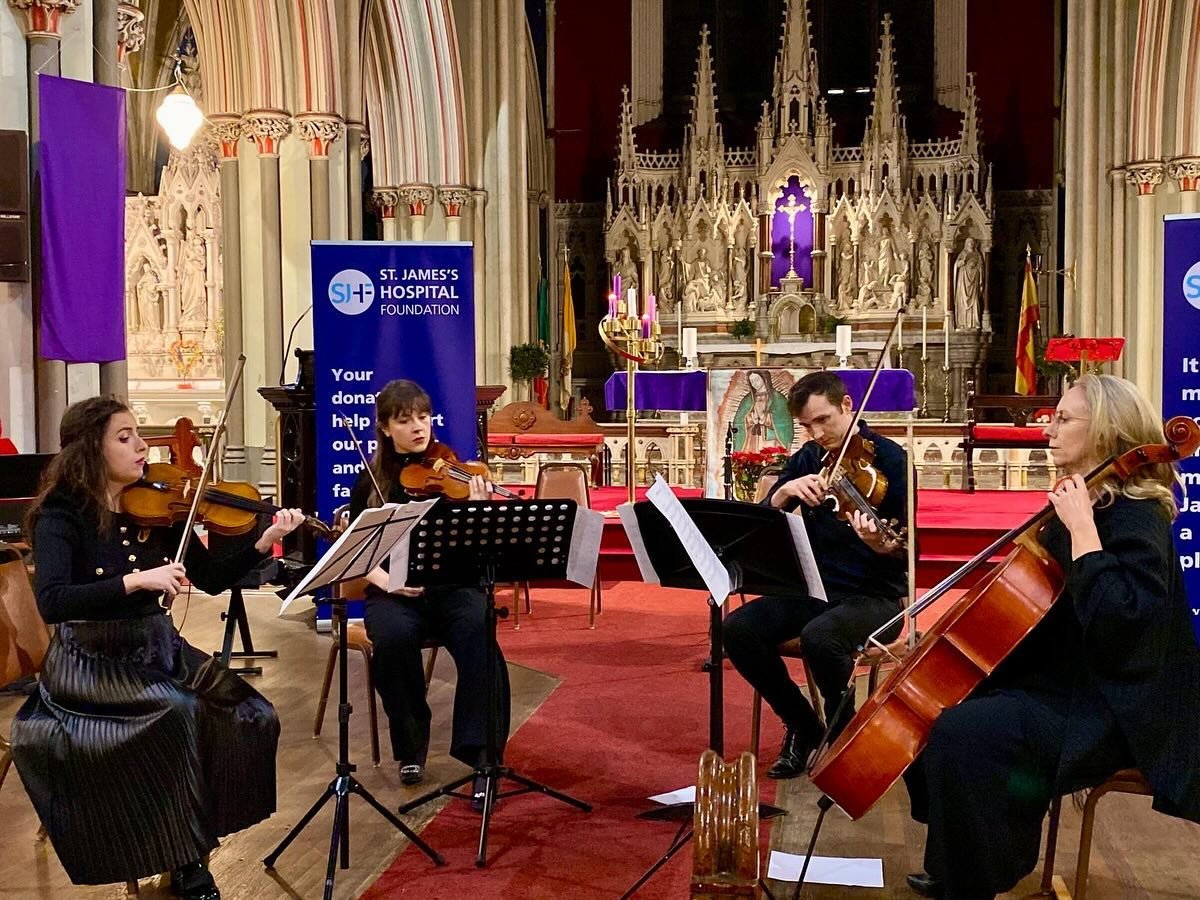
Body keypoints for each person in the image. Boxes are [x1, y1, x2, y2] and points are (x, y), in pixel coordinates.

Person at [904, 374, 1200, 900]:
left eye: (1064, 419)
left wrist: (1084, 532)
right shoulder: (1085, 502)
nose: (1049, 428)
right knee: (940, 710)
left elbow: (1122, 626)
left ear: (1106, 432)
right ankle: (969, 859)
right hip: (1065, 679)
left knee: (968, 733)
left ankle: (973, 878)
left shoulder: (1136, 516)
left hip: (1112, 703)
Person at [9, 396, 304, 899]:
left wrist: (263, 539)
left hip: (157, 647)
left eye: (137, 434)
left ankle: (196, 835)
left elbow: (210, 579)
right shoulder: (63, 514)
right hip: (91, 660)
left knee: (252, 712)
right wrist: (136, 580)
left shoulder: (158, 504)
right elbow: (54, 601)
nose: (143, 446)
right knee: (179, 712)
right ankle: (184, 860)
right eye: (124, 437)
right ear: (90, 448)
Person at [724, 371, 909, 778]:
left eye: (823, 420)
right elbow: (767, 521)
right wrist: (786, 492)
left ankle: (848, 734)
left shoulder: (892, 459)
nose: (817, 432)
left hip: (875, 597)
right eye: (807, 425)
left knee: (821, 638)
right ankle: (805, 725)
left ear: (847, 406)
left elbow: (906, 552)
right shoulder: (808, 458)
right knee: (737, 630)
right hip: (814, 590)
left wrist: (881, 544)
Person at [348, 379, 511, 809]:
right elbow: (358, 558)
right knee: (393, 639)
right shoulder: (372, 484)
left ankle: (483, 757)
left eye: (423, 417)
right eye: (405, 420)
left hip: (452, 585)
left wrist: (479, 512)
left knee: (480, 627)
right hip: (395, 593)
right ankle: (410, 745)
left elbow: (482, 548)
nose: (419, 427)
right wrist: (389, 583)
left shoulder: (455, 471)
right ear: (385, 428)